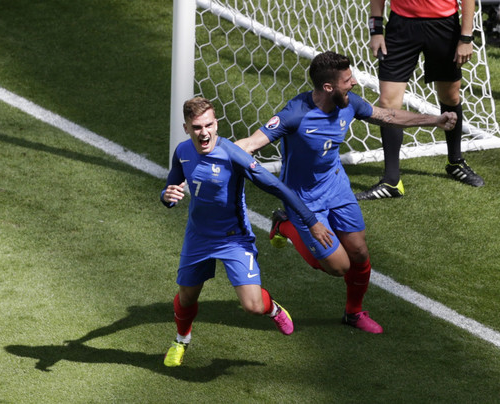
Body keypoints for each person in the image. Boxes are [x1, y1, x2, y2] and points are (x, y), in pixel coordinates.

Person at [235, 51, 457, 334]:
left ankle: (354, 313)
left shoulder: (349, 104)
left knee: (360, 253)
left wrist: (434, 120)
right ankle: (285, 224)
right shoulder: (296, 113)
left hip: (337, 189)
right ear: (328, 87)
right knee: (338, 267)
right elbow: (252, 143)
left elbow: (387, 115)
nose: (354, 83)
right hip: (305, 201)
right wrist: (216, 152)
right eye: (347, 79)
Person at [161, 97, 334, 367]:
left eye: (208, 125)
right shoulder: (182, 151)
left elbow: (276, 186)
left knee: (253, 306)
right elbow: (172, 186)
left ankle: (274, 309)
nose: (204, 132)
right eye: (196, 127)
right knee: (186, 297)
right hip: (198, 237)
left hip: (233, 238)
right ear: (186, 128)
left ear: (216, 124)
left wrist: (311, 220)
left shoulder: (233, 155)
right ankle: (181, 340)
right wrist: (167, 196)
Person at [356, 0, 483, 201]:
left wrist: (466, 38)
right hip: (401, 27)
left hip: (444, 27)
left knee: (450, 96)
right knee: (388, 102)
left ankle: (455, 162)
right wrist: (376, 30)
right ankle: (391, 181)